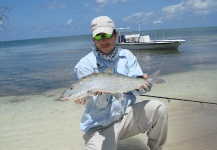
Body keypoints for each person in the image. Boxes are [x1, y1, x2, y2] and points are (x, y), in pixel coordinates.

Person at [73, 16, 168, 150]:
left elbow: (138, 89)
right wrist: (103, 93)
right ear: (93, 39)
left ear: (116, 35)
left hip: (126, 117)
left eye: (107, 35)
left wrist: (144, 84)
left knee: (158, 108)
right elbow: (97, 103)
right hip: (99, 126)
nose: (103, 40)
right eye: (98, 37)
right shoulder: (84, 65)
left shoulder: (127, 56)